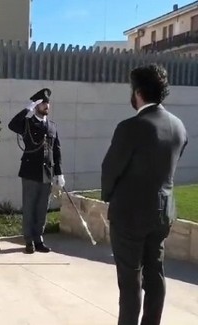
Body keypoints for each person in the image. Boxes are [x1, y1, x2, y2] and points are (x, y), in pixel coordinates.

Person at [101, 64, 188, 325]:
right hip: (163, 213)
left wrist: (109, 197)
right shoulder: (179, 126)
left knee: (130, 282)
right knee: (155, 274)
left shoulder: (130, 127)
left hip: (130, 215)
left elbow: (110, 169)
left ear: (138, 92)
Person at [8, 88, 64, 254]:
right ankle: (28, 241)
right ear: (37, 105)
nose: (46, 105)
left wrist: (59, 173)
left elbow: (57, 151)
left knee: (41, 208)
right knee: (29, 207)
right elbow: (12, 125)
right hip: (30, 171)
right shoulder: (27, 123)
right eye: (42, 103)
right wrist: (27, 109)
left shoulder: (52, 126)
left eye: (47, 103)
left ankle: (39, 239)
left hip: (47, 173)